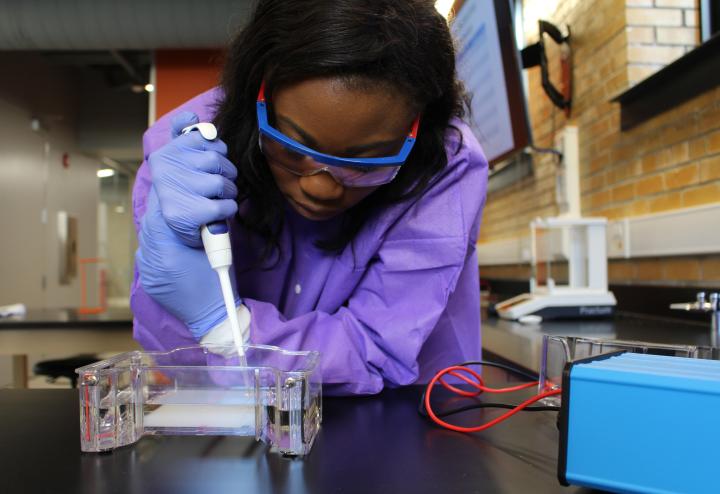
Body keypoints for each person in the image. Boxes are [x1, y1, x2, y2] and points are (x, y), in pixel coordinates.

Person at [132, 0, 488, 395]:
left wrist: (221, 328)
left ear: (415, 130)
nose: (321, 187)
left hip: (400, 414)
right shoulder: (186, 154)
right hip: (230, 415)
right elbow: (177, 351)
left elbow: (377, 349)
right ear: (259, 94)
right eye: (293, 146)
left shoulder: (443, 161)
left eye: (366, 162)